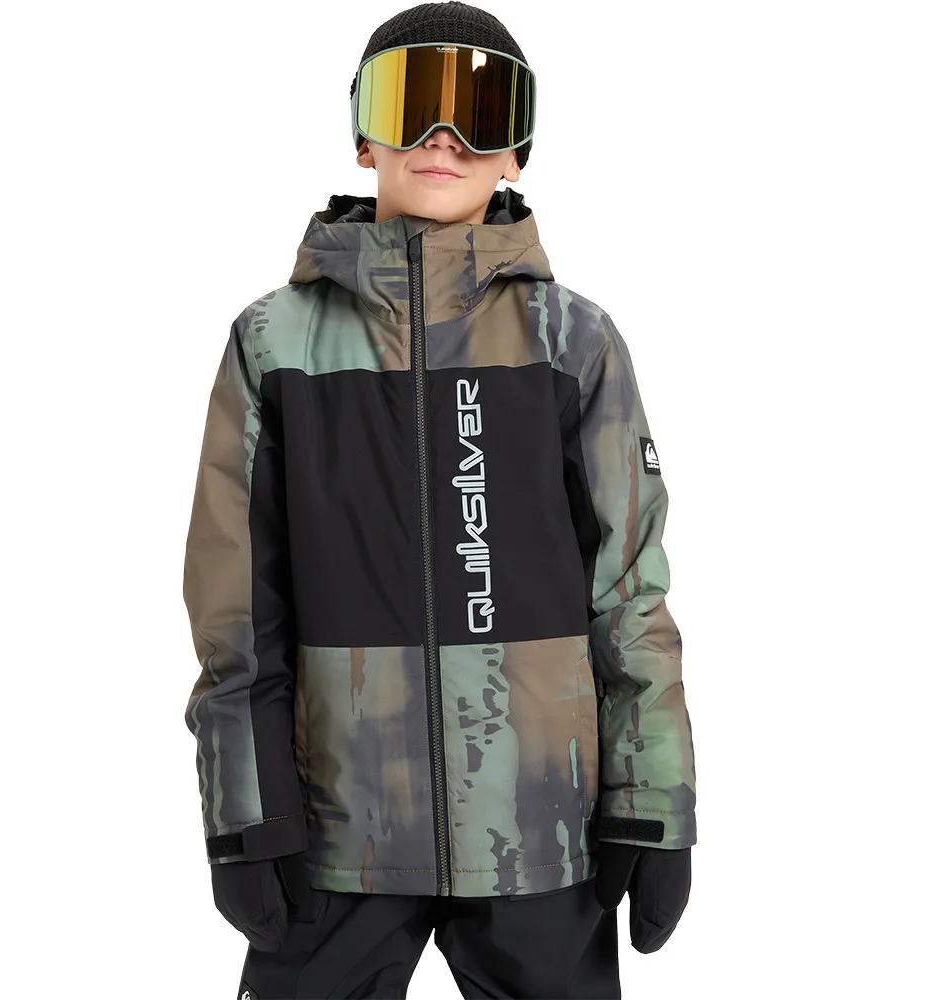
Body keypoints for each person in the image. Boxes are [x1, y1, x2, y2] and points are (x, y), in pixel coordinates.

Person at [181, 3, 697, 997]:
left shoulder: (572, 342)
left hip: (538, 827)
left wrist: (652, 796)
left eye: (479, 113)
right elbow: (235, 605)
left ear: (517, 153)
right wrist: (247, 810)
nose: (442, 138)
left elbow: (630, 588)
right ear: (362, 136)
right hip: (337, 832)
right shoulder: (275, 343)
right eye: (409, 103)